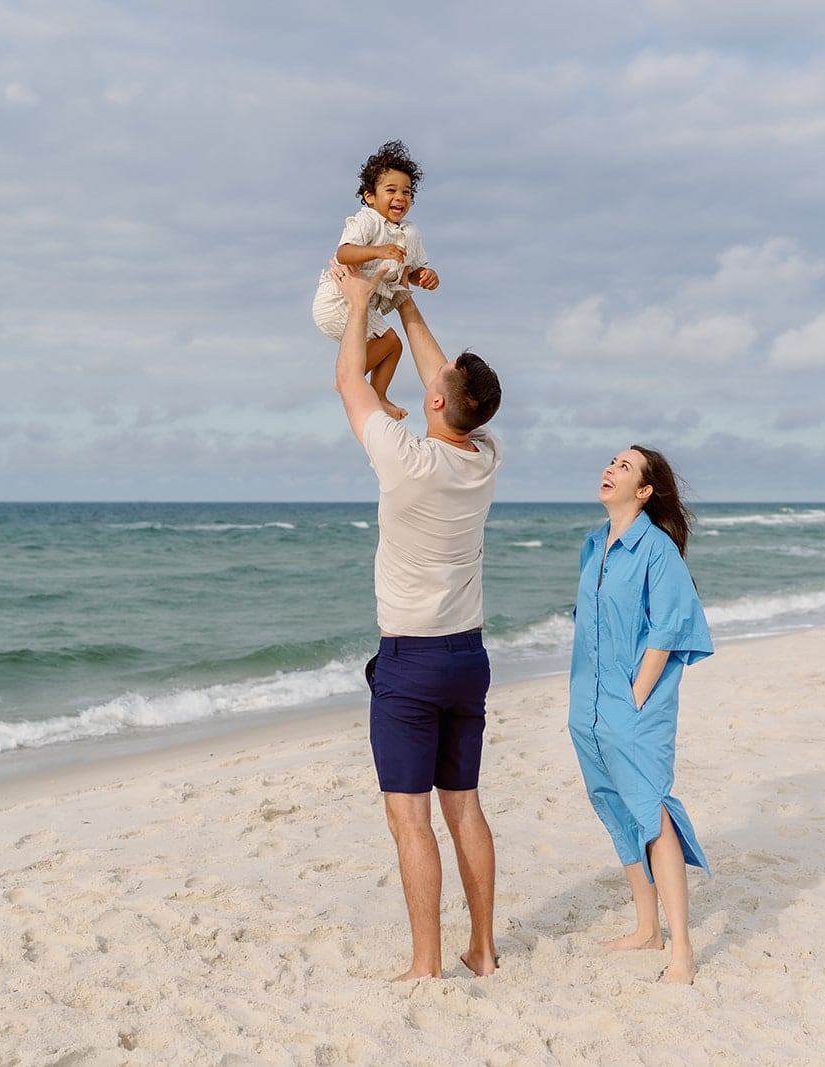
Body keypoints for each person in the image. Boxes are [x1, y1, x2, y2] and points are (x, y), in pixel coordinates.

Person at [331, 259, 502, 982]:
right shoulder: (483, 456)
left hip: (411, 664)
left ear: (435, 401)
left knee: (410, 818)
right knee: (464, 805)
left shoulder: (408, 462)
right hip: (467, 659)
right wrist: (406, 312)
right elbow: (445, 384)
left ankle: (427, 962)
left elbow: (349, 383)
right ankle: (483, 950)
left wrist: (363, 299)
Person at [568, 445, 713, 984]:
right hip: (587, 704)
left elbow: (672, 624)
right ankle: (647, 930)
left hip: (634, 706)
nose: (610, 468)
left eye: (624, 467)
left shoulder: (655, 549)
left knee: (650, 812)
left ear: (645, 491)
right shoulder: (593, 545)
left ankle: (682, 951)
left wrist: (636, 693)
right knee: (616, 810)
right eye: (610, 461)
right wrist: (590, 702)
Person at [312, 140, 441, 422]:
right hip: (337, 300)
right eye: (391, 190)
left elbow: (412, 271)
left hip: (360, 305)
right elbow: (344, 253)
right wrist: (378, 251)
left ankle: (377, 395)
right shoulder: (368, 221)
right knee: (390, 339)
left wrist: (426, 277)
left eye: (406, 192)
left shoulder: (410, 231)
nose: (400, 197)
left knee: (393, 346)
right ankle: (349, 379)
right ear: (370, 196)